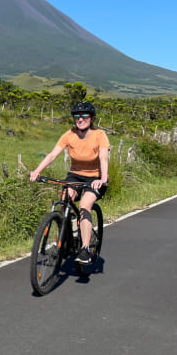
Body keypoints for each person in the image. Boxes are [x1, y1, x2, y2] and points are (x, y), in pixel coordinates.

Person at [28, 100, 109, 265]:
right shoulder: (69, 134)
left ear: (92, 118)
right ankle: (66, 235)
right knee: (64, 199)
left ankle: (85, 248)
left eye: (84, 116)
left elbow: (103, 157)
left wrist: (103, 179)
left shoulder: (99, 135)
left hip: (95, 178)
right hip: (75, 175)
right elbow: (52, 154)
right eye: (76, 116)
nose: (80, 119)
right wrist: (37, 171)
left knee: (85, 206)